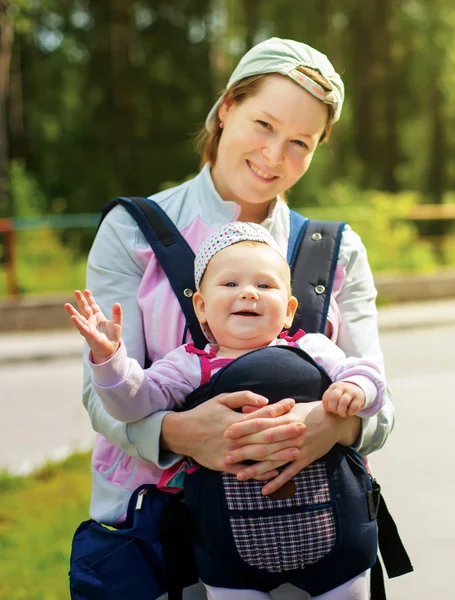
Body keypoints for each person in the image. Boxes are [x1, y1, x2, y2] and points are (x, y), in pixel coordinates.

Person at [80, 37, 395, 599]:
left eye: (301, 142)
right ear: (227, 108)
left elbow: (381, 406)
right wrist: (181, 433)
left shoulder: (335, 251)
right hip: (162, 541)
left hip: (315, 534)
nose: (275, 156)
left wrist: (333, 424)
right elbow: (100, 397)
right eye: (264, 124)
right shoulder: (132, 233)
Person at [66, 222, 386, 599]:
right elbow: (134, 402)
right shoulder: (188, 365)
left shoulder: (312, 348)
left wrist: (355, 390)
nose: (249, 293)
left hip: (330, 528)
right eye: (230, 284)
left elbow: (366, 372)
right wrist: (110, 360)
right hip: (229, 544)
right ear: (201, 307)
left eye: (265, 285)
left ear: (288, 309)